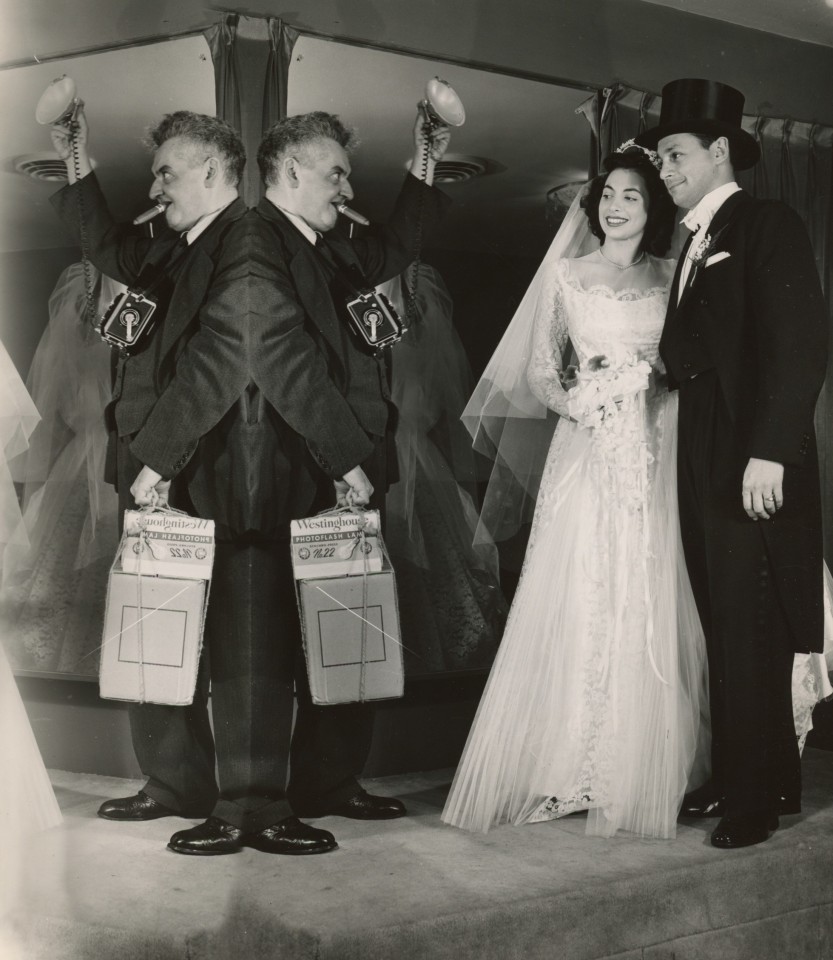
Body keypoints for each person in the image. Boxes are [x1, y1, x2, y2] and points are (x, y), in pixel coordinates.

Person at [49, 109, 340, 857]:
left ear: (213, 173)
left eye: (165, 173)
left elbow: (216, 365)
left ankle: (259, 803)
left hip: (210, 474)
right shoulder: (169, 248)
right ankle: (173, 782)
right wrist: (73, 152)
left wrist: (158, 462)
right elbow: (102, 242)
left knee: (248, 647)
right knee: (152, 630)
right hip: (152, 473)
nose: (153, 186)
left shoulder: (237, 245)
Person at [163, 109, 451, 856]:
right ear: (289, 174)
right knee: (256, 644)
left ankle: (330, 782)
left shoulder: (330, 247)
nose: (347, 186)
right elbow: (285, 363)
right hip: (291, 474)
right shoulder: (264, 244)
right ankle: (247, 805)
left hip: (343, 474)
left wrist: (425, 160)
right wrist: (344, 459)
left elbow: (397, 245)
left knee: (347, 628)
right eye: (336, 173)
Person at [442, 144, 710, 839]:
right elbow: (537, 371)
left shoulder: (670, 274)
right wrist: (583, 403)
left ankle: (635, 764)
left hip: (655, 446)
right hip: (587, 448)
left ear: (651, 210)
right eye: (607, 195)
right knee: (580, 587)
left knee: (645, 588)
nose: (614, 205)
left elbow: (685, 362)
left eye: (630, 195)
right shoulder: (565, 275)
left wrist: (647, 389)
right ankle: (567, 763)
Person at [635, 79, 829, 849]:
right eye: (659, 157)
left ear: (720, 152)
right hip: (701, 446)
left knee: (750, 622)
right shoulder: (692, 240)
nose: (665, 169)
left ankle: (753, 796)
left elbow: (800, 341)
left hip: (748, 451)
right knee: (723, 618)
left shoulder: (762, 222)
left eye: (676, 155)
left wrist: (769, 453)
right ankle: (757, 776)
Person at [377, 265, 506, 674]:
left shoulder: (380, 326)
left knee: (415, 543)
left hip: (395, 449)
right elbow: (435, 402)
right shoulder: (422, 326)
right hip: (411, 448)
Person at [1, 265, 122, 676]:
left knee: (67, 550)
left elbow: (57, 404)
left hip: (81, 452)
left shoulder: (74, 326)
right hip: (107, 450)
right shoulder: (122, 324)